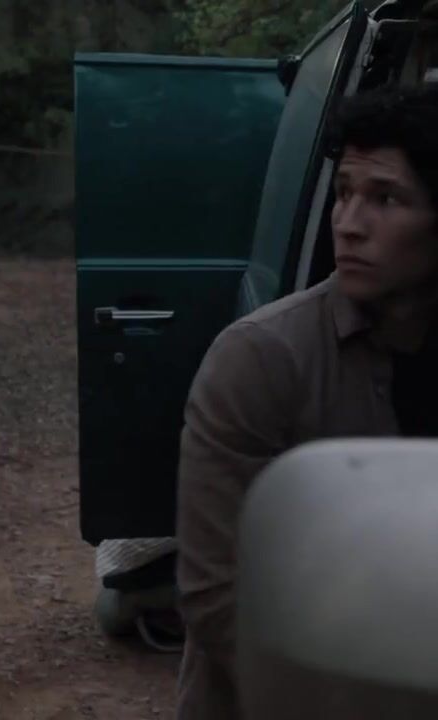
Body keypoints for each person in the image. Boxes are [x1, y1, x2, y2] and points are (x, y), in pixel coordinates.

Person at [176, 83, 438, 719]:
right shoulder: (261, 358)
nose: (348, 224)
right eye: (344, 193)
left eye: (385, 199)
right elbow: (218, 592)